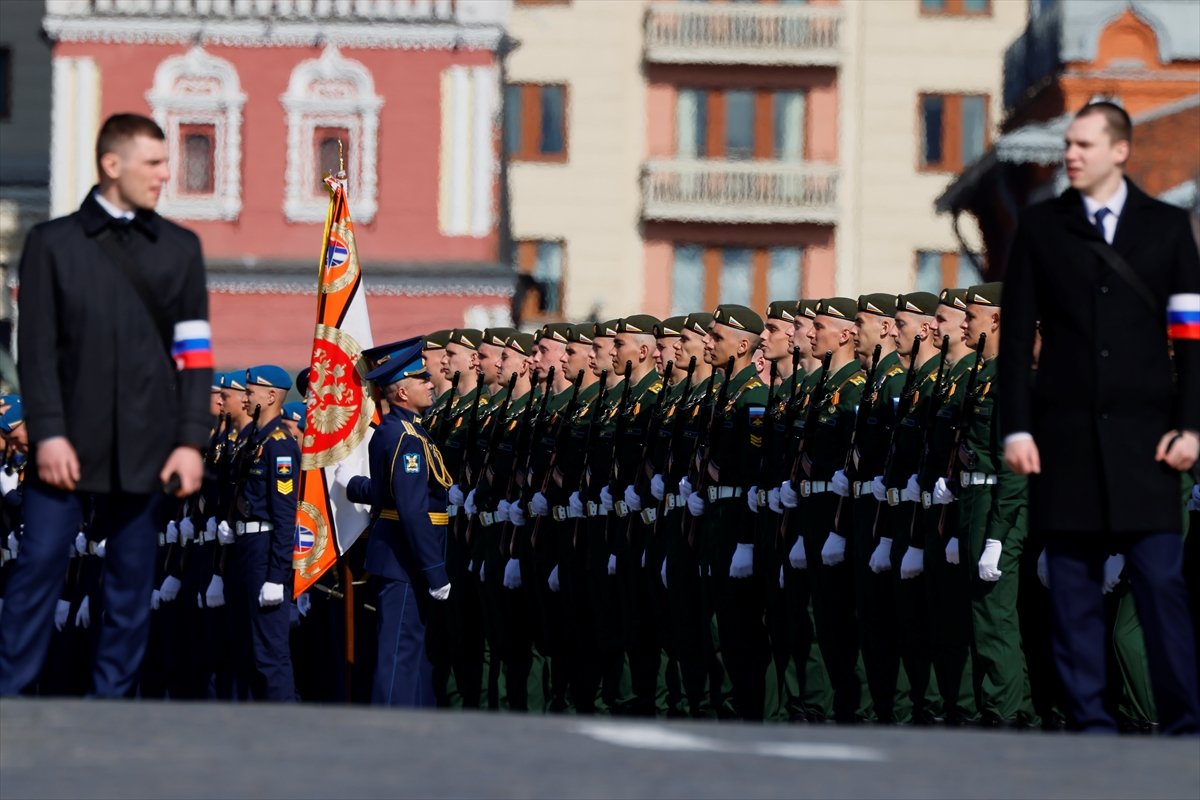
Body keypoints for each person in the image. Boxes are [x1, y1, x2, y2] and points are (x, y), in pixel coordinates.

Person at [1000, 100, 1200, 734]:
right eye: (1068, 145)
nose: (1071, 154)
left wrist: (1191, 425)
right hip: (1065, 439)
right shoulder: (1041, 228)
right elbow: (1013, 340)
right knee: (1074, 586)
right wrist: (1017, 426)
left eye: (1085, 144)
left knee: (1161, 583)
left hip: (1149, 443)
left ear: (1120, 150)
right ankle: (1089, 720)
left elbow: (1190, 334)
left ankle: (1183, 719)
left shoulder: (1167, 227)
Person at [0, 113, 211, 697]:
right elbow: (35, 349)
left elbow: (195, 355)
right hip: (66, 444)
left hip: (146, 443)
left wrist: (191, 442)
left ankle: (111, 703)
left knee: (129, 579)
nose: (166, 174)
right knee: (39, 563)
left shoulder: (179, 248)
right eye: (153, 164)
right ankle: (10, 696)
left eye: (166, 162)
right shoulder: (53, 244)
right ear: (112, 165)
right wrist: (49, 435)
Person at [347, 338, 453, 707]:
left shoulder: (405, 430)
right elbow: (411, 509)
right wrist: (436, 571)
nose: (430, 383)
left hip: (402, 557)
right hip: (407, 560)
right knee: (400, 651)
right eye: (422, 379)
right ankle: (390, 727)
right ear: (403, 392)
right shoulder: (406, 438)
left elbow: (388, 493)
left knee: (413, 649)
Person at [230, 365, 299, 701]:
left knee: (271, 652)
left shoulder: (280, 445)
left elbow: (285, 516)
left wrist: (276, 574)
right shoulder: (255, 440)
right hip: (247, 545)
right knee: (249, 648)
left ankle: (285, 721)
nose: (246, 397)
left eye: (251, 391)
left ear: (271, 396)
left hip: (265, 548)